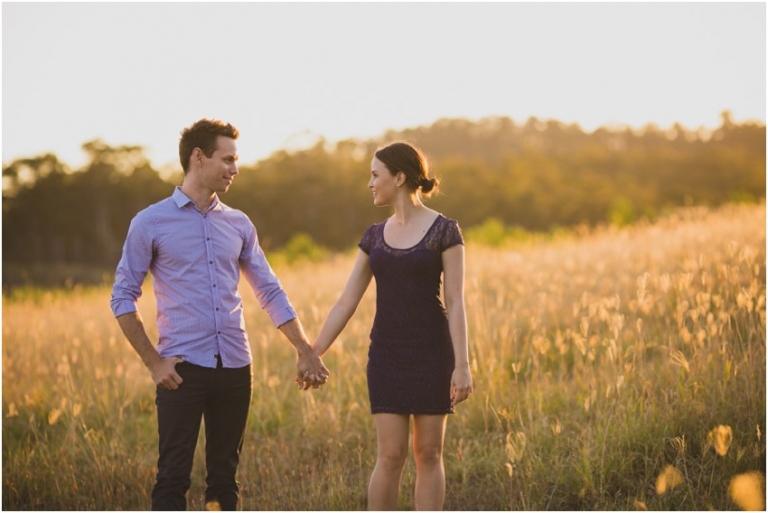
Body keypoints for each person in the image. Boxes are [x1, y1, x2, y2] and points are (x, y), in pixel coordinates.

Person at [110, 118, 329, 511]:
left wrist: (303, 348)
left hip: (235, 366)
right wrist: (154, 363)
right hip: (181, 371)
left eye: (236, 159)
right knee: (173, 479)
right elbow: (123, 297)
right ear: (198, 158)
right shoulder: (150, 222)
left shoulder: (239, 223)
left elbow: (269, 289)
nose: (235, 168)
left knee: (225, 481)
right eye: (227, 159)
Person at [311, 141, 473, 510]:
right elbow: (346, 300)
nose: (370, 183)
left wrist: (462, 365)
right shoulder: (373, 237)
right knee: (391, 455)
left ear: (399, 177)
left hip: (433, 355)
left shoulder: (445, 231)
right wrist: (312, 350)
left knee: (428, 454)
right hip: (386, 356)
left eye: (375, 175)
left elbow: (456, 301)